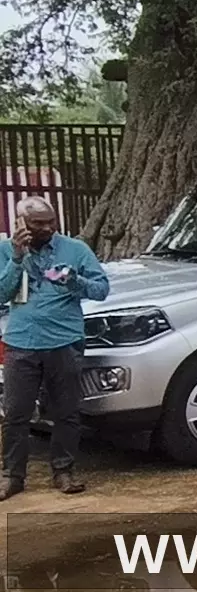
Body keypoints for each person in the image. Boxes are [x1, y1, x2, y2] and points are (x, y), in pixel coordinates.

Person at [0, 199, 108, 498]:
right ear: (20, 223)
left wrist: (74, 280)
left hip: (65, 342)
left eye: (51, 221)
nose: (47, 228)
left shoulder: (75, 249)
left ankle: (63, 471)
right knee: (16, 413)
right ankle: (12, 476)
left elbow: (101, 290)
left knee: (66, 411)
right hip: (21, 343)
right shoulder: (5, 251)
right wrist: (17, 259)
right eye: (38, 223)